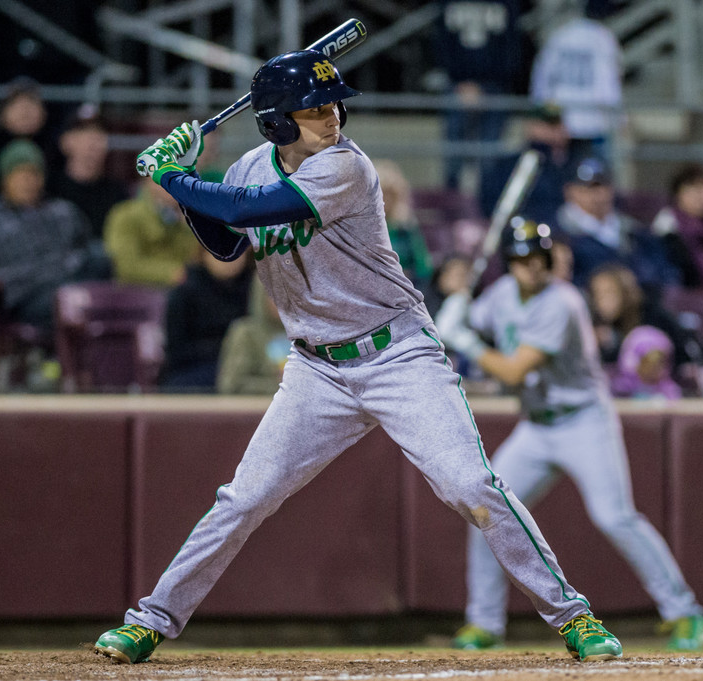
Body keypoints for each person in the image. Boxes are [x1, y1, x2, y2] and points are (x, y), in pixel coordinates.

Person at [93, 49, 620, 665]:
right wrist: (187, 184)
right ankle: (150, 620)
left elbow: (244, 209)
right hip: (316, 368)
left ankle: (574, 616)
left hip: (397, 353)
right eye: (315, 109)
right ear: (277, 122)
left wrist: (172, 176)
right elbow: (226, 241)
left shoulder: (346, 165)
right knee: (244, 497)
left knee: (471, 485)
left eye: (334, 105)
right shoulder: (247, 166)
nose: (332, 117)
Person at [434, 218, 703, 653]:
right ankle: (484, 623)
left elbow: (513, 371)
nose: (532, 266)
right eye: (522, 258)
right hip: (537, 425)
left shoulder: (561, 303)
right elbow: (474, 318)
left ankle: (685, 612)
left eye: (539, 257)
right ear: (510, 262)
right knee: (486, 510)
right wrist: (453, 306)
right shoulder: (502, 293)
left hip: (583, 422)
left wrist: (464, 340)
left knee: (614, 516)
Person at [0, 140, 111, 333]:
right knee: (72, 301)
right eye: (20, 175)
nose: (28, 181)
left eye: (34, 174)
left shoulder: (64, 212)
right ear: (5, 179)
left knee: (102, 262)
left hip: (72, 280)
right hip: (28, 295)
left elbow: (87, 249)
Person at [431, 0, 523, 191]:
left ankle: (487, 201)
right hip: (457, 85)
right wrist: (461, 80)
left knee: (490, 155)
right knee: (454, 151)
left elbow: (512, 44)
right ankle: (452, 200)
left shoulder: (507, 3)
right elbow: (441, 40)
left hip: (495, 86)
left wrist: (487, 83)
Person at [556, 157, 678, 293]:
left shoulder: (634, 230)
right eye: (590, 188)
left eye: (604, 186)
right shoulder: (562, 235)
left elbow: (664, 272)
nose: (600, 194)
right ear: (570, 191)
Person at [529, 7, 623, 168]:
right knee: (590, 173)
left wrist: (542, 113)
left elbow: (543, 78)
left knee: (573, 173)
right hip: (590, 119)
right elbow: (609, 81)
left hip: (566, 118)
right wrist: (617, 117)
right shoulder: (601, 36)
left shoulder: (560, 33)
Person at [158, 250, 252, 392]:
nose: (229, 259)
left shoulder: (255, 288)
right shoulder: (185, 291)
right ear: (204, 254)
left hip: (243, 367)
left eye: (237, 251)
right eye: (222, 251)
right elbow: (176, 351)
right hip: (195, 368)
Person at [587, 262, 703, 370]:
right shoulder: (598, 328)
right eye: (597, 294)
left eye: (609, 292)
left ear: (626, 292)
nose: (602, 301)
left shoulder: (652, 316)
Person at [0, 77, 64, 210]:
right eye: (17, 104)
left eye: (31, 103)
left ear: (44, 112)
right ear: (3, 113)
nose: (25, 111)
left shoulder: (54, 147)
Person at [479, 102, 577, 224]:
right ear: (531, 126)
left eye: (560, 124)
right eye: (550, 125)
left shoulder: (573, 162)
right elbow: (494, 205)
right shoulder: (513, 165)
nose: (558, 130)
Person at [651, 163, 703, 295]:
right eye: (695, 189)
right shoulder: (668, 221)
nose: (702, 196)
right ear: (678, 193)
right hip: (688, 292)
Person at [46, 104, 130, 239]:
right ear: (65, 141)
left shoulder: (117, 192)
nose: (92, 142)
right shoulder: (49, 188)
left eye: (99, 135)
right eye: (83, 134)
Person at [103, 177, 199, 287]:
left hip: (179, 290)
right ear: (150, 181)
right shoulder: (126, 215)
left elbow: (194, 260)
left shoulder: (186, 218)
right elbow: (125, 266)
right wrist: (171, 273)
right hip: (137, 291)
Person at [216, 274, 290, 396]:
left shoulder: (309, 336)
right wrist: (283, 386)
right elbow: (232, 385)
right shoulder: (246, 334)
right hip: (255, 407)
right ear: (260, 296)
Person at [373, 159, 433, 296]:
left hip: (403, 291)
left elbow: (422, 268)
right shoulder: (363, 225)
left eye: (391, 195)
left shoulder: (406, 228)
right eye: (383, 193)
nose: (386, 200)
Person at [610, 325, 682, 400]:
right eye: (649, 365)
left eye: (658, 366)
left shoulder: (667, 387)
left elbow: (675, 402)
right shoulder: (624, 386)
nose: (653, 371)